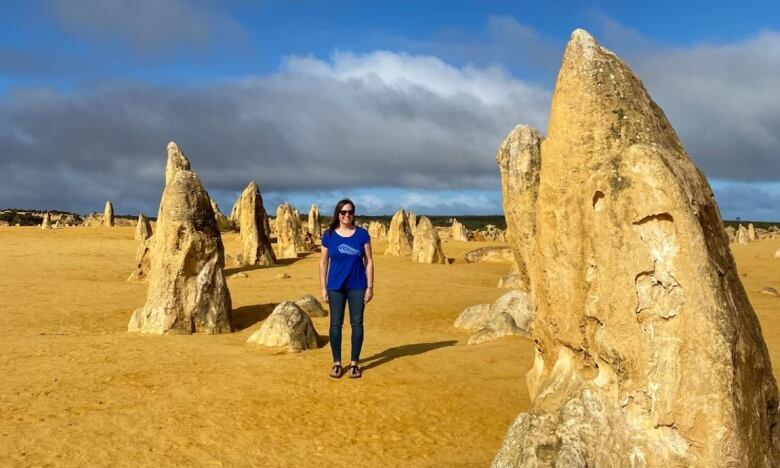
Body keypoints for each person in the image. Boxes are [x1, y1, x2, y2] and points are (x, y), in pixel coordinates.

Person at [319, 198, 374, 379]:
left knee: (357, 324)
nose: (347, 215)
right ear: (338, 214)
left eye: (350, 212)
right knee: (335, 324)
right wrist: (323, 288)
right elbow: (323, 262)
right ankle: (336, 363)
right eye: (343, 212)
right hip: (335, 286)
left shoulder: (362, 235)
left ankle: (354, 363)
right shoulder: (329, 235)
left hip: (358, 285)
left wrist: (370, 286)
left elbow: (369, 261)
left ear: (354, 214)